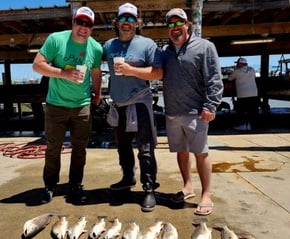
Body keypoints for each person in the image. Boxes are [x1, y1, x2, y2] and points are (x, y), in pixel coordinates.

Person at [32, 6, 102, 205]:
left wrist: (98, 93)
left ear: (92, 28)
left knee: (80, 148)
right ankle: (49, 185)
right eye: (80, 22)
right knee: (53, 147)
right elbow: (37, 65)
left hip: (82, 105)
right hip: (56, 104)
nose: (83, 27)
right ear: (73, 23)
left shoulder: (95, 48)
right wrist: (64, 73)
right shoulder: (56, 39)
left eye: (88, 24)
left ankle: (76, 184)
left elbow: (96, 72)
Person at [161, 8, 223, 216]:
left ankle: (207, 194)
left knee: (201, 152)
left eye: (179, 23)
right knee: (181, 151)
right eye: (170, 24)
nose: (175, 28)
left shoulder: (205, 47)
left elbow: (214, 78)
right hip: (172, 112)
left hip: (197, 112)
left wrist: (211, 105)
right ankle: (187, 186)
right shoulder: (165, 52)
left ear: (187, 24)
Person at [103, 2, 163, 212]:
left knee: (145, 148)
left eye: (131, 19)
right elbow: (91, 59)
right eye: (123, 19)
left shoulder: (147, 44)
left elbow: (158, 73)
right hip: (118, 104)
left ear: (137, 23)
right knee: (123, 147)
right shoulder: (108, 45)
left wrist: (131, 70)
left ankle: (149, 188)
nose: (126, 23)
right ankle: (128, 178)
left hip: (140, 102)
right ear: (117, 22)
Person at [228, 57, 258, 131]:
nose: (237, 65)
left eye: (238, 63)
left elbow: (230, 78)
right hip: (254, 93)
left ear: (241, 64)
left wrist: (233, 71)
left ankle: (242, 125)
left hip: (242, 95)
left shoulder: (237, 71)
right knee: (251, 111)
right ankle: (250, 125)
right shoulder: (252, 69)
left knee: (242, 111)